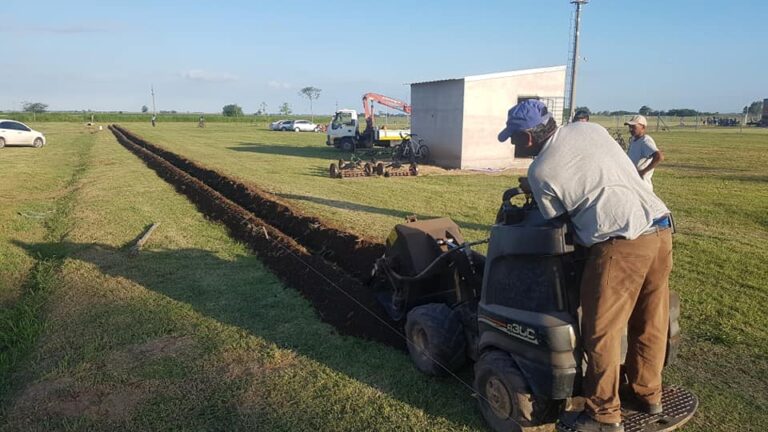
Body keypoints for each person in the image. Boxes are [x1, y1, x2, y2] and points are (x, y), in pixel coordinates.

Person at [498, 100, 674, 432]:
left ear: (529, 138)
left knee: (600, 332)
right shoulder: (589, 128)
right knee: (650, 320)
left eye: (514, 138)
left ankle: (604, 415)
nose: (512, 144)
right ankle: (647, 394)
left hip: (621, 243)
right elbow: (593, 169)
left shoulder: (540, 171)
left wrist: (535, 189)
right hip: (660, 229)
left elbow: (560, 224)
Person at [626, 115, 664, 189]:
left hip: (642, 185)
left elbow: (659, 156)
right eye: (629, 127)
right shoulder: (634, 139)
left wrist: (643, 172)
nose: (630, 129)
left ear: (643, 127)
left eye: (633, 127)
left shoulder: (645, 141)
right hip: (633, 182)